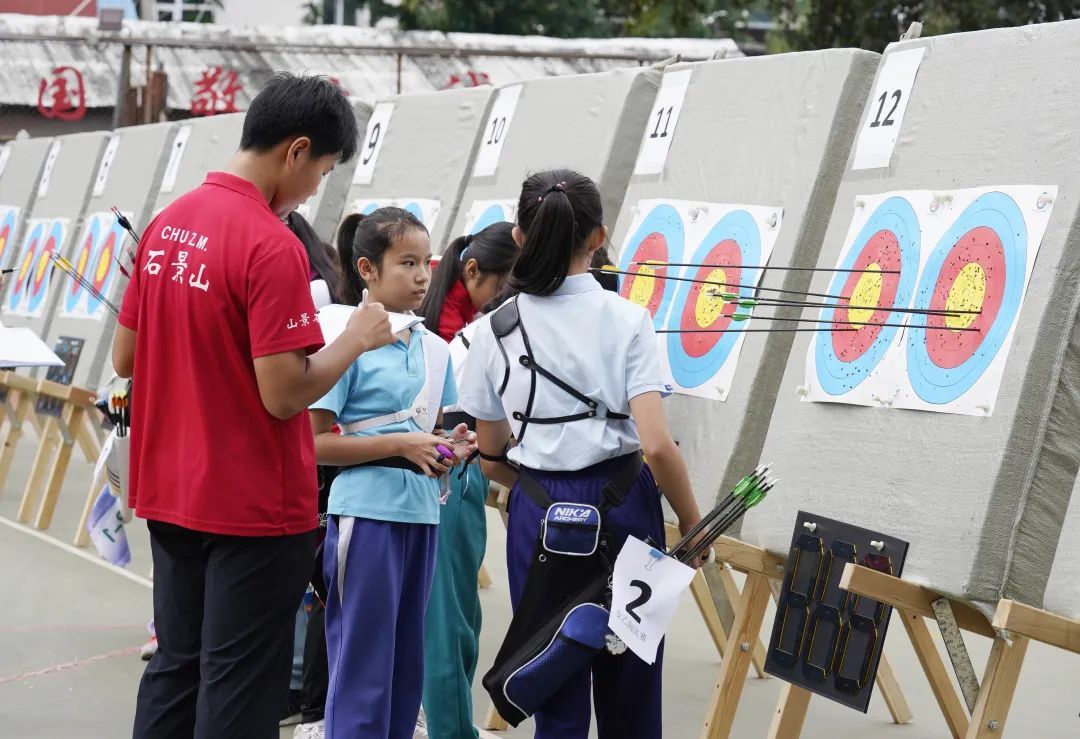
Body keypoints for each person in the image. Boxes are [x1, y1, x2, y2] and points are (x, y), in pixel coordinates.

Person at [113, 73, 395, 739]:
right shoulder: (270, 244)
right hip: (252, 506)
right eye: (323, 170)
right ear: (297, 150)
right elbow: (284, 392)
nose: (316, 186)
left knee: (177, 666)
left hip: (171, 486)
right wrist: (353, 339)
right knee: (239, 684)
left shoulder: (167, 223)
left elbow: (127, 359)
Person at [457, 169, 703, 739]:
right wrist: (693, 527)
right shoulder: (628, 319)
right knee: (632, 682)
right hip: (624, 506)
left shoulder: (492, 330)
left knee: (553, 675)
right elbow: (657, 445)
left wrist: (544, 497)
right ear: (600, 237)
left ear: (519, 238)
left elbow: (491, 455)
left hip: (537, 510)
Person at [309, 207, 477, 739]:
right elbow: (312, 446)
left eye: (425, 262)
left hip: (423, 515)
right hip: (364, 514)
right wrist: (401, 444)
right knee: (363, 665)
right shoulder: (348, 342)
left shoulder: (436, 348)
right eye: (406, 263)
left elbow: (437, 434)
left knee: (408, 668)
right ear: (367, 270)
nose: (423, 275)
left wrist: (455, 447)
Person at [416, 222, 518, 739]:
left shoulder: (455, 325)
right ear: (472, 271)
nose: (513, 299)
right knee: (448, 625)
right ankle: (451, 731)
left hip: (443, 475)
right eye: (507, 286)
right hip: (453, 475)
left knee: (450, 619)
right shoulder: (468, 337)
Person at [419, 222, 517, 341]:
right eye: (501, 288)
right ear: (472, 269)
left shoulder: (442, 272)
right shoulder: (449, 325)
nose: (506, 300)